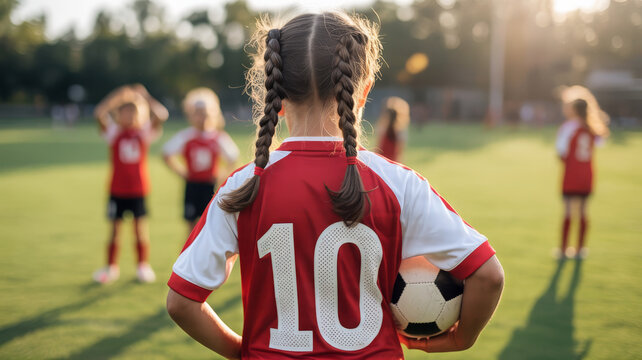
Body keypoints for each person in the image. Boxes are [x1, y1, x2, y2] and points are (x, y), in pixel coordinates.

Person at [166, 12, 504, 359]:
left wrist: (244, 352)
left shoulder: (243, 185)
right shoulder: (399, 184)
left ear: (275, 93)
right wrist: (464, 337)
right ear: (363, 92)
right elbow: (488, 275)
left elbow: (182, 302)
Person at [93, 84, 168, 284]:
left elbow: (161, 115)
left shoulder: (143, 133)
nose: (129, 116)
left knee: (140, 229)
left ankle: (142, 266)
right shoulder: (113, 132)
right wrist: (117, 96)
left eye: (133, 112)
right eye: (124, 112)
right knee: (115, 231)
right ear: (119, 114)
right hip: (117, 189)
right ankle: (111, 267)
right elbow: (99, 113)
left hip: (138, 189)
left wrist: (146, 97)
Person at [163, 88, 240, 231]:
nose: (201, 118)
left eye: (205, 114)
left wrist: (221, 175)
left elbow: (233, 157)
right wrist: (181, 171)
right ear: (191, 116)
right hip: (192, 185)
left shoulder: (217, 137)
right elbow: (166, 154)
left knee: (209, 226)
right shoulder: (187, 136)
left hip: (209, 186)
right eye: (197, 114)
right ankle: (189, 253)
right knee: (191, 226)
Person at [555, 91, 609, 259]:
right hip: (587, 177)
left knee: (569, 212)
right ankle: (580, 250)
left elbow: (561, 152)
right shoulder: (592, 128)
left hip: (571, 177)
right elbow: (601, 143)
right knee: (584, 211)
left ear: (573, 110)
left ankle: (564, 250)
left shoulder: (568, 127)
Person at [376, 96, 410, 162]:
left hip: (381, 160)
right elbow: (400, 151)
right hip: (393, 162)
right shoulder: (400, 131)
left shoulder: (383, 128)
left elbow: (378, 147)